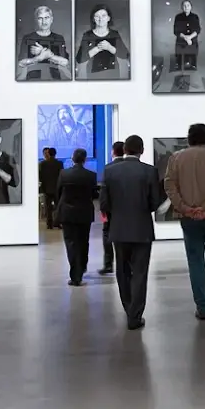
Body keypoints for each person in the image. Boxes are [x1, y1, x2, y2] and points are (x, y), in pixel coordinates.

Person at [164, 122, 205, 320]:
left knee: (196, 261)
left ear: (189, 138)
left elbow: (170, 186)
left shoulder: (176, 159)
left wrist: (186, 208)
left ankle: (203, 308)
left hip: (189, 218)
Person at [99, 135, 165, 329]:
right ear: (141, 150)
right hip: (142, 230)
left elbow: (104, 203)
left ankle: (129, 309)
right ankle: (135, 315)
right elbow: (154, 203)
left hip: (118, 229)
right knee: (140, 273)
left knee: (122, 271)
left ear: (124, 150)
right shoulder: (150, 171)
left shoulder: (110, 171)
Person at [56, 148, 99, 286]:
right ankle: (82, 267)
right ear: (85, 159)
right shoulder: (91, 175)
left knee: (71, 243)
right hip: (84, 213)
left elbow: (58, 193)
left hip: (68, 213)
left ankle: (76, 274)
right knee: (83, 241)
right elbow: (94, 195)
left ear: (72, 158)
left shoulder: (64, 174)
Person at [17, 5, 70, 81]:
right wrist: (38, 58)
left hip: (54, 80)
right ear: (36, 20)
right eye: (40, 18)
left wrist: (48, 54)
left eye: (46, 18)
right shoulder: (27, 38)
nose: (44, 22)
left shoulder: (59, 38)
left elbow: (65, 62)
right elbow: (21, 63)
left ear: (51, 19)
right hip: (33, 80)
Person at [76, 3, 130, 80]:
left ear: (108, 18)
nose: (100, 19)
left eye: (103, 16)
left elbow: (125, 54)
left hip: (113, 73)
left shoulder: (114, 34)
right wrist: (97, 49)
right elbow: (79, 59)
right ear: (93, 19)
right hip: (92, 74)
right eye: (97, 16)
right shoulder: (87, 35)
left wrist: (109, 47)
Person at [101, 140, 125, 275]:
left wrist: (104, 210)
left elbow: (105, 192)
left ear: (113, 152)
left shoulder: (108, 168)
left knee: (107, 235)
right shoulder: (130, 167)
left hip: (111, 210)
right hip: (126, 209)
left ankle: (108, 264)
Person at [38, 147, 63, 229]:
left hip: (46, 188)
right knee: (58, 206)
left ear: (48, 153)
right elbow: (61, 176)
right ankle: (58, 223)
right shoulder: (59, 163)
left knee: (48, 207)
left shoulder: (42, 164)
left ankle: (49, 224)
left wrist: (43, 187)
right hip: (57, 188)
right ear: (55, 154)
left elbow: (40, 177)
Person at [173, 0, 201, 71]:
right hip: (181, 41)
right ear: (182, 7)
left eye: (188, 5)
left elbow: (197, 29)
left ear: (191, 7)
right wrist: (186, 38)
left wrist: (190, 37)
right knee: (179, 65)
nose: (186, 7)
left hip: (192, 41)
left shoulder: (195, 17)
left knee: (192, 65)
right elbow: (176, 31)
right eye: (184, 6)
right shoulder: (178, 17)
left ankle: (193, 65)